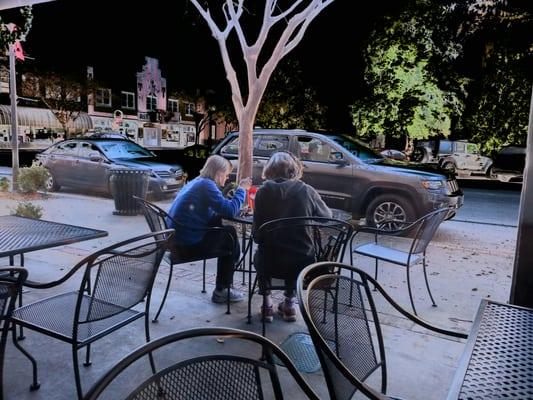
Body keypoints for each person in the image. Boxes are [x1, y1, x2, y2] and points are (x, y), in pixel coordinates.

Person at [252, 151, 332, 322]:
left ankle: (267, 305)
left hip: (270, 261)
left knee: (263, 253)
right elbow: (327, 217)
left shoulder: (262, 192)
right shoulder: (307, 191)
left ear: (269, 170)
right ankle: (289, 305)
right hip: (302, 261)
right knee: (294, 253)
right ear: (293, 170)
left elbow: (257, 235)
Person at [166, 155, 252, 303]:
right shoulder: (207, 185)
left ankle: (230, 270)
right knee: (230, 236)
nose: (226, 179)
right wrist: (242, 190)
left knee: (227, 235)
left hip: (176, 240)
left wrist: (234, 208)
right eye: (225, 175)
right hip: (185, 246)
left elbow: (219, 210)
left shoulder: (198, 182)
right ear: (218, 172)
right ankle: (222, 289)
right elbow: (229, 211)